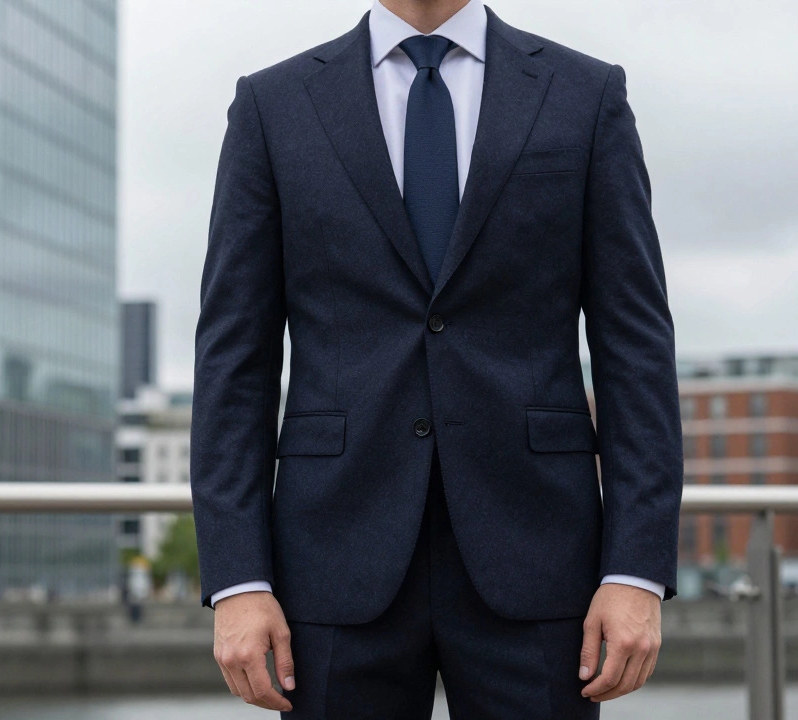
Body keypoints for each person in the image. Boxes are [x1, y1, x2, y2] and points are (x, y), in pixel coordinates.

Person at [190, 1, 683, 717]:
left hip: (540, 555)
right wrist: (238, 579)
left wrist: (636, 569)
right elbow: (234, 358)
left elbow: (635, 346)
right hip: (332, 560)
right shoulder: (273, 105)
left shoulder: (585, 95)